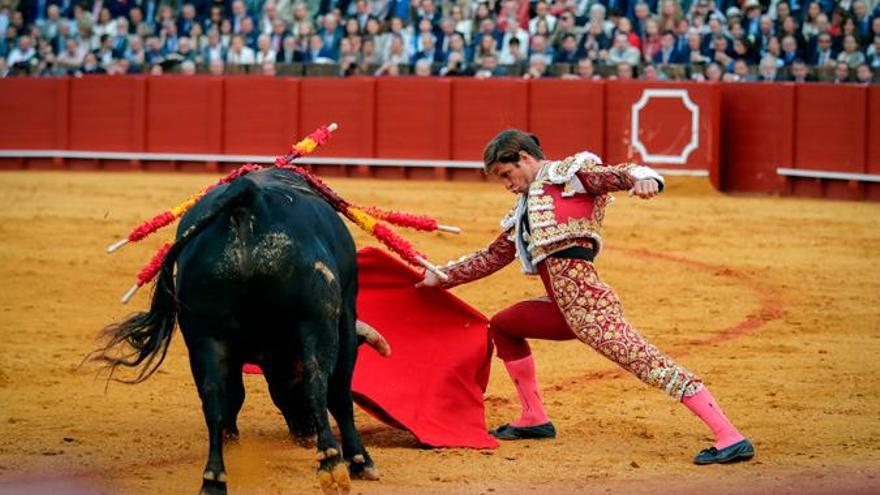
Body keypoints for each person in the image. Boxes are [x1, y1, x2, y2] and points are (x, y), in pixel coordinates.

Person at [417, 129, 755, 465]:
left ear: (523, 157)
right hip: (561, 308)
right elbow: (492, 256)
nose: (507, 183)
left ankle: (730, 436)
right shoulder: (526, 208)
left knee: (648, 363)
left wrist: (645, 178)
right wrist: (441, 277)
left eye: (507, 174)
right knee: (504, 325)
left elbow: (618, 173)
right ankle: (534, 418)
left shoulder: (570, 176)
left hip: (590, 308)